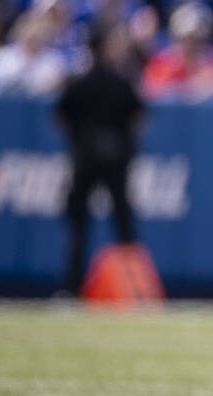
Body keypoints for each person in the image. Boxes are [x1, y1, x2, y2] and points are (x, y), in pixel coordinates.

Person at [55, 25, 145, 295]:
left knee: (80, 226)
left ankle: (72, 288)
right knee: (122, 225)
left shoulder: (80, 81)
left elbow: (61, 116)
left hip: (85, 159)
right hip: (113, 160)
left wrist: (79, 139)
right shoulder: (118, 81)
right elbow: (138, 117)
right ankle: (135, 289)